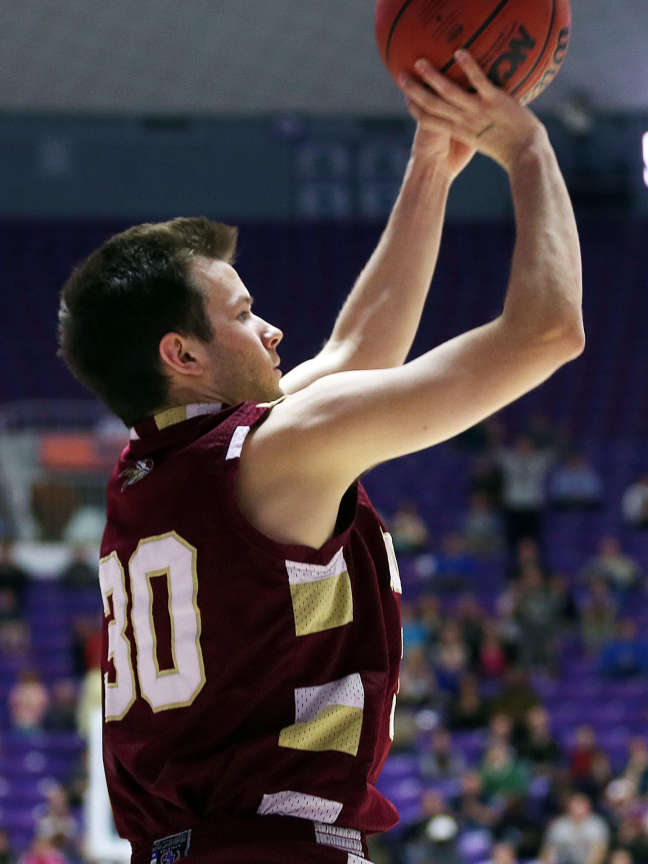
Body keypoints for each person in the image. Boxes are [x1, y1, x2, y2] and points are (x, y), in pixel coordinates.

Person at [57, 51, 584, 864]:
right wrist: (527, 150)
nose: (269, 330)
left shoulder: (150, 463)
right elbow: (549, 331)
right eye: (242, 312)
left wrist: (431, 167)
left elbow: (355, 348)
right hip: (275, 845)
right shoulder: (272, 451)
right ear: (183, 354)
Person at [540, 792, 609, 864]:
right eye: (575, 804)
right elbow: (547, 851)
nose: (578, 807)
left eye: (581, 804)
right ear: (568, 807)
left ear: (588, 806)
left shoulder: (597, 825)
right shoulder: (559, 825)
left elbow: (598, 854)